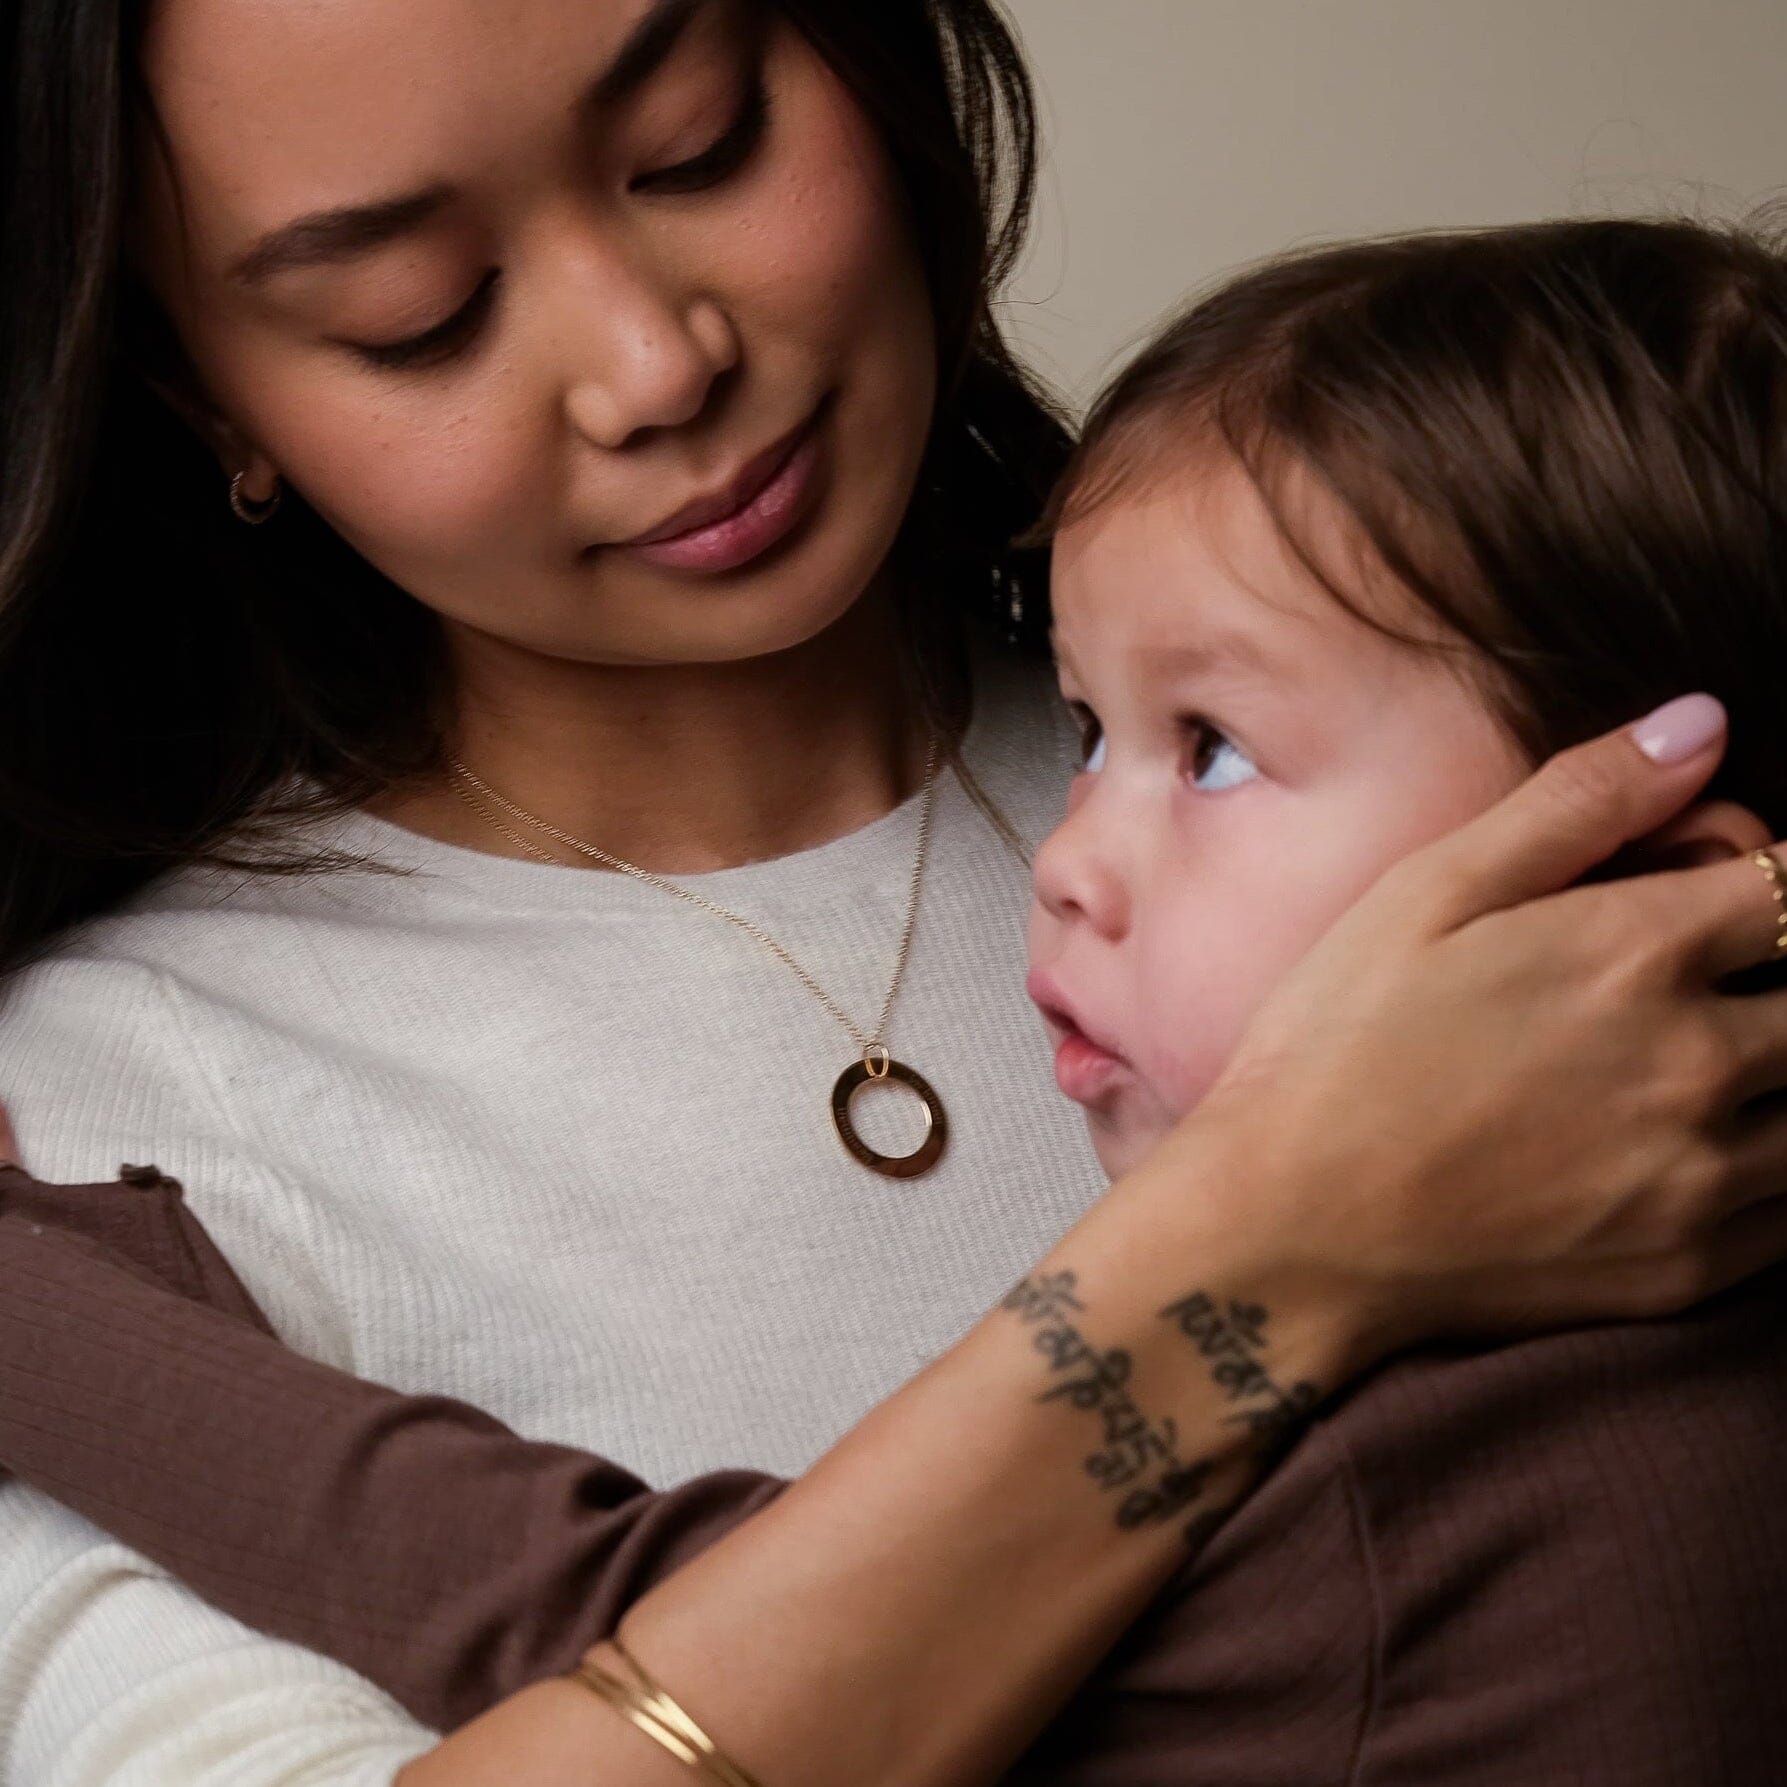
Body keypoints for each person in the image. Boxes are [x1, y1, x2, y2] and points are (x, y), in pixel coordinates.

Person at [3, 1, 1787, 1781]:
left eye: (700, 145)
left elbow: (676, 1632)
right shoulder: (106, 1107)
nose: (657, 365)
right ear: (205, 396)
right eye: (419, 314)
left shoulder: (1392, 684)